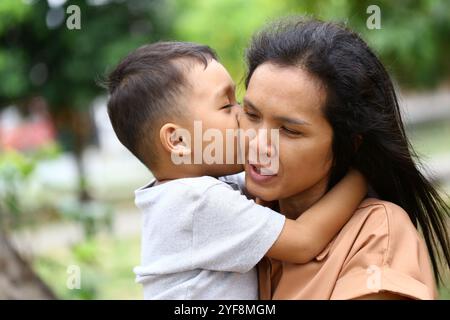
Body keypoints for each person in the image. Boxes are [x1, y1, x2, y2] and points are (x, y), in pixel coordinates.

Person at [105, 41, 367, 299]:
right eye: (227, 105)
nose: (242, 114)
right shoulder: (197, 200)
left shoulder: (187, 190)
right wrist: (361, 174)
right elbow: (303, 241)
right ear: (178, 141)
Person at [238, 17, 450, 299]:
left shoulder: (377, 235)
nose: (257, 144)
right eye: (251, 115)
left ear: (348, 145)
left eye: (289, 130)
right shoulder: (237, 210)